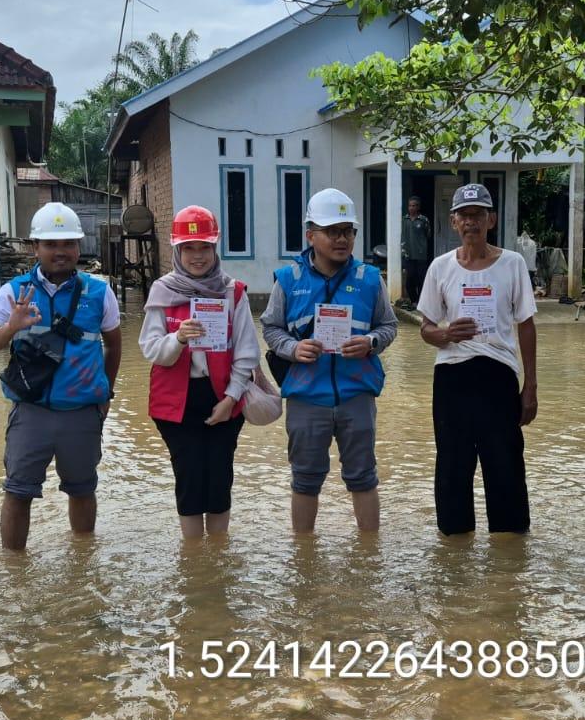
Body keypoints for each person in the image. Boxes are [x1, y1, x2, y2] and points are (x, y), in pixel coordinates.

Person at [0, 203, 122, 550]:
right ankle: (15, 570)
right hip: (31, 412)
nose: (61, 252)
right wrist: (11, 326)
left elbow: (114, 347)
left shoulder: (99, 292)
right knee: (17, 492)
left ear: (78, 247)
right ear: (34, 247)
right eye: (51, 244)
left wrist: (105, 395)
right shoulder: (15, 292)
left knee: (83, 489)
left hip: (82, 413)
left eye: (69, 243)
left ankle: (83, 560)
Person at [260, 187, 398, 534]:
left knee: (363, 476)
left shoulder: (370, 279)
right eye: (332, 231)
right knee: (305, 479)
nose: (342, 239)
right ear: (311, 235)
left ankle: (369, 556)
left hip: (357, 395)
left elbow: (389, 325)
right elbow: (271, 328)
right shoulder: (288, 280)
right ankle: (304, 556)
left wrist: (371, 341)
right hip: (307, 396)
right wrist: (293, 349)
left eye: (348, 231)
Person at [417, 182, 538, 535]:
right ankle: (455, 543)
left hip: (499, 374)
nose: (471, 222)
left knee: (505, 461)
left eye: (478, 215)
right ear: (454, 222)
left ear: (491, 219)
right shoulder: (440, 268)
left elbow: (527, 325)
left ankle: (510, 545)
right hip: (452, 374)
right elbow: (425, 327)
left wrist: (529, 385)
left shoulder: (512, 264)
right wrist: (445, 334)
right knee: (453, 461)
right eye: (464, 216)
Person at [140, 205, 260, 539]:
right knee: (190, 478)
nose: (197, 256)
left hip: (223, 397)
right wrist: (177, 338)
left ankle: (217, 561)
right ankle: (194, 562)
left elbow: (247, 352)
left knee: (220, 479)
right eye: (189, 248)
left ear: (214, 248)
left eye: (204, 247)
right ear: (177, 250)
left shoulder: (232, 291)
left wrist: (230, 399)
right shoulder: (163, 292)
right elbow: (151, 349)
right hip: (176, 403)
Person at [399, 194, 432, 306]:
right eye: (410, 206)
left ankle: (421, 302)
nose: (412, 208)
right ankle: (413, 301)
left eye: (414, 206)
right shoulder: (404, 219)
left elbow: (428, 235)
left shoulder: (423, 220)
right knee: (409, 281)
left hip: (421, 255)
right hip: (408, 255)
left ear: (418, 207)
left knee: (422, 280)